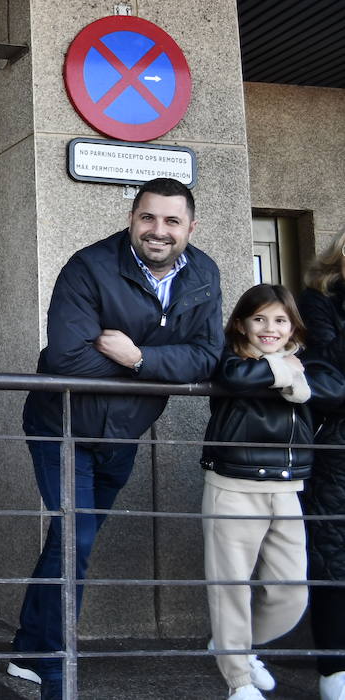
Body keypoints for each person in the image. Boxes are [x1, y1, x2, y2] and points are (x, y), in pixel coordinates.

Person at [7, 177, 222, 699]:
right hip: (62, 424)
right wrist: (158, 369)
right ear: (132, 217)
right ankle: (57, 666)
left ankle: (28, 650)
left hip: (124, 432)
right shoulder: (90, 267)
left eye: (172, 221)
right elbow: (68, 359)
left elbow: (208, 357)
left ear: (190, 227)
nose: (159, 230)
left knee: (71, 542)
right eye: (148, 217)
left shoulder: (204, 274)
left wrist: (139, 357)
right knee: (75, 540)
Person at [203, 284, 344, 700]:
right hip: (233, 486)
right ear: (242, 325)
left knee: (290, 590)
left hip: (287, 487)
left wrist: (293, 371)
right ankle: (238, 681)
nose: (269, 328)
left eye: (280, 320)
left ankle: (235, 648)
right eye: (259, 319)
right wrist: (283, 372)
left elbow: (335, 389)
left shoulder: (306, 361)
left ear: (293, 326)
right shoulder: (231, 358)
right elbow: (235, 377)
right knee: (230, 587)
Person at [300, 227, 345, 700]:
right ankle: (335, 670)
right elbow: (327, 373)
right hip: (337, 449)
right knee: (334, 559)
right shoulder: (319, 301)